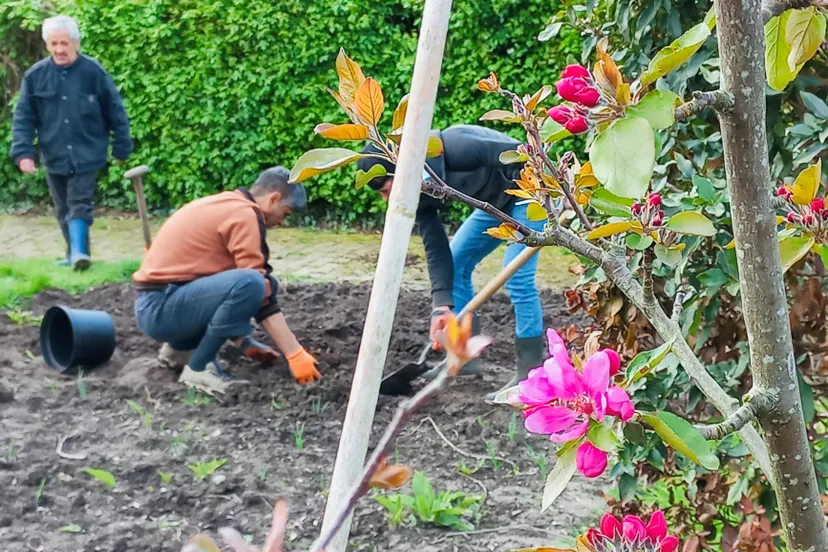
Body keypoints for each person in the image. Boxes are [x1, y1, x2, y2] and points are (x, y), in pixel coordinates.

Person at [356, 124, 547, 401]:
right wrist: (440, 307)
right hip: (494, 204)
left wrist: (553, 192)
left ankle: (530, 374)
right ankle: (464, 359)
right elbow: (436, 249)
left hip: (531, 194)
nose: (388, 199)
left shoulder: (457, 147)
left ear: (402, 171)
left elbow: (522, 155)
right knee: (456, 261)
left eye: (387, 189)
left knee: (516, 275)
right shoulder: (417, 192)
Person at [132, 167, 320, 395]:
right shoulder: (245, 215)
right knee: (252, 283)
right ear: (273, 199)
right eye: (286, 213)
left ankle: (180, 350)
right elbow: (255, 289)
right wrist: (294, 353)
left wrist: (244, 342)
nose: (282, 222)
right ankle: (198, 368)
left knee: (261, 282)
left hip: (159, 303)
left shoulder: (229, 204)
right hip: (160, 308)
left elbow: (221, 285)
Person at [9, 14, 133, 271]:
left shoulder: (93, 72)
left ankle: (78, 253)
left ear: (76, 43)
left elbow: (115, 111)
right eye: (54, 44)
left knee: (79, 202)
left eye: (64, 43)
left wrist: (121, 147)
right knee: (63, 206)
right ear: (47, 45)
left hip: (87, 152)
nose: (59, 49)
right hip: (54, 154)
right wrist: (24, 153)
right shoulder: (35, 76)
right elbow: (23, 118)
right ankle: (74, 254)